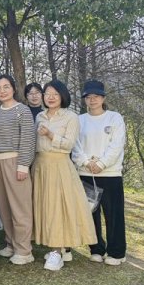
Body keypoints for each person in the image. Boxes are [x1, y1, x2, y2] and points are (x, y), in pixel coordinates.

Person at [33, 80, 97, 271]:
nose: (51, 97)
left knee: (58, 208)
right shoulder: (40, 116)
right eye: (47, 94)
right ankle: (53, 246)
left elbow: (69, 144)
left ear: (62, 96)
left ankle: (57, 252)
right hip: (40, 165)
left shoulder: (71, 117)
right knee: (44, 207)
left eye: (55, 94)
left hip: (60, 165)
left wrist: (50, 134)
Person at [72, 80, 127, 265]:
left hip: (110, 174)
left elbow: (117, 144)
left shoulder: (114, 118)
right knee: (91, 214)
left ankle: (117, 253)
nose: (92, 100)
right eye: (88, 97)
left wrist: (102, 163)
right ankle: (96, 249)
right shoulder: (79, 120)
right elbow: (75, 145)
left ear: (103, 98)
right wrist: (86, 162)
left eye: (96, 96)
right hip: (86, 173)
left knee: (113, 214)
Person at [0, 75, 36, 264]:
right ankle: (11, 244)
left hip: (16, 161)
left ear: (13, 89)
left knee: (20, 207)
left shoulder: (23, 110)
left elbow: (28, 139)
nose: (2, 91)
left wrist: (23, 165)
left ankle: (24, 250)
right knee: (4, 206)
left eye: (6, 87)